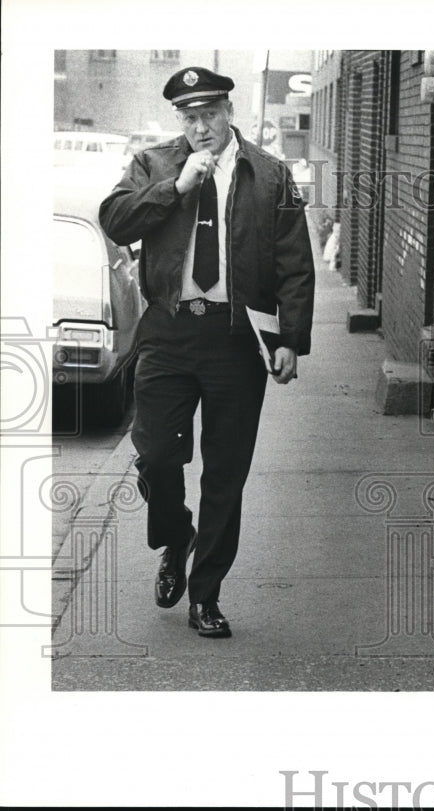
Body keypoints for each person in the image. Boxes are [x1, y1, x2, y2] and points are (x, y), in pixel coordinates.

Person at [99, 67, 315, 638]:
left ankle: (206, 594)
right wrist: (176, 188)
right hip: (169, 333)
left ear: (227, 113)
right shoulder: (154, 165)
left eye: (209, 115)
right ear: (181, 121)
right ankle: (176, 535)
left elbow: (295, 262)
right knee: (158, 457)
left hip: (237, 339)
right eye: (189, 118)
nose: (200, 127)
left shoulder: (269, 175)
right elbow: (115, 221)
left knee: (226, 472)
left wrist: (290, 339)